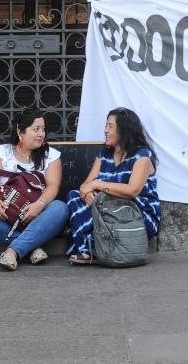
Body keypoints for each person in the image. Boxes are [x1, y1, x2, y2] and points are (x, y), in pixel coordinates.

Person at [0, 108, 68, 270]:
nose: (41, 134)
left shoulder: (51, 156)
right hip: (5, 216)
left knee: (60, 208)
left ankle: (13, 251)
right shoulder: (1, 153)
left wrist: (39, 204)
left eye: (43, 129)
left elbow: (53, 187)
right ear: (20, 132)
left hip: (36, 215)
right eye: (36, 129)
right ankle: (32, 245)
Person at [66, 107, 161, 264]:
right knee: (73, 196)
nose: (105, 130)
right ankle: (89, 249)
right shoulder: (104, 154)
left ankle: (91, 247)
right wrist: (86, 193)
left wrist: (97, 185)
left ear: (124, 130)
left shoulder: (142, 155)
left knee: (98, 205)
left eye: (110, 126)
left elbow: (133, 190)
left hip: (134, 214)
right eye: (106, 126)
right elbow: (85, 185)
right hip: (108, 209)